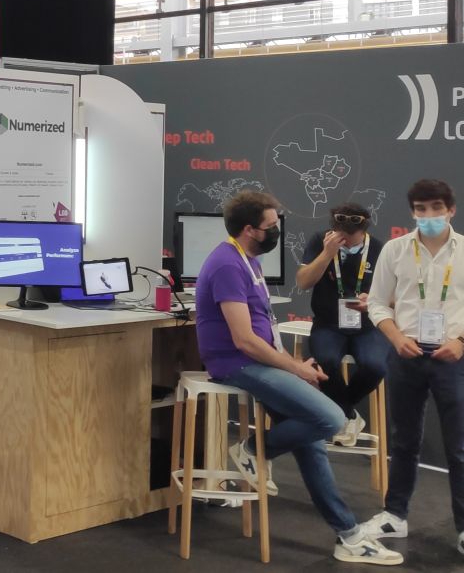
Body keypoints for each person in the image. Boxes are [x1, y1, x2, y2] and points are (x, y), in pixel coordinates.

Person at [196, 190, 400, 565]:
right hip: (237, 364)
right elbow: (244, 340)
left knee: (312, 442)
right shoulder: (227, 265)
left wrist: (292, 365)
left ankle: (349, 536)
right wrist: (295, 368)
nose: (277, 231)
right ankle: (252, 450)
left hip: (260, 361)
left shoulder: (248, 260)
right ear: (250, 229)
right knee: (332, 418)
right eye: (271, 225)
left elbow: (263, 330)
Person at [362, 179, 464, 554]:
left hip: (453, 357)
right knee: (404, 440)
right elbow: (377, 303)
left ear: (450, 210)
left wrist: (461, 342)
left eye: (436, 208)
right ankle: (395, 514)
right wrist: (395, 337)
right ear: (413, 212)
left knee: (459, 446)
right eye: (421, 209)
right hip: (405, 354)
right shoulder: (395, 250)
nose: (428, 215)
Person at [295, 203, 388, 446]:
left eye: (350, 237)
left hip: (367, 325)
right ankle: (349, 415)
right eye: (340, 233)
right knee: (326, 361)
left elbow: (394, 294)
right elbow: (303, 282)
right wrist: (327, 253)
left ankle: (343, 411)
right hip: (328, 324)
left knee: (376, 366)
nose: (344, 240)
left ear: (364, 231)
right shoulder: (321, 241)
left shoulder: (379, 249)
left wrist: (373, 300)